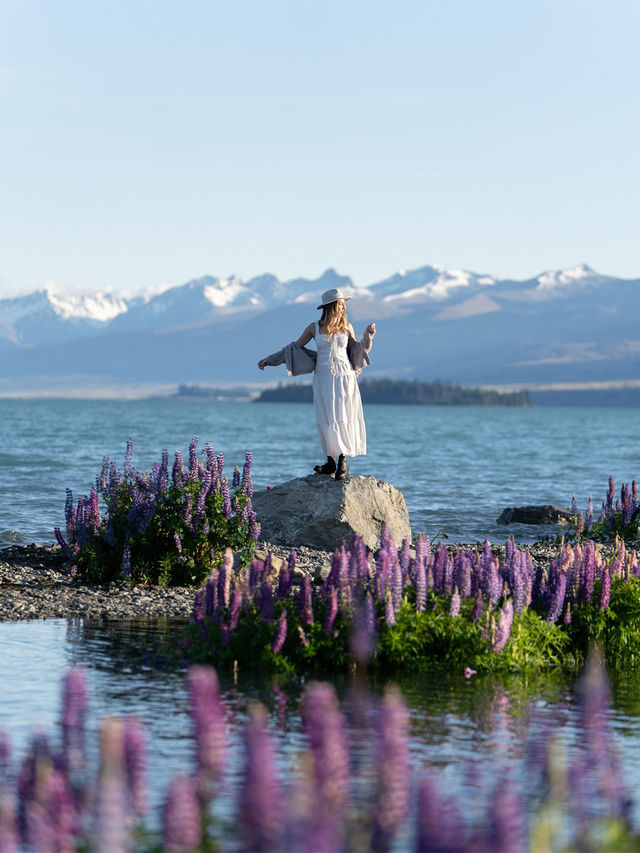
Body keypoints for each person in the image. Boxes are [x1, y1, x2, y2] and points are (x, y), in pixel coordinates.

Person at [258, 288, 376, 480]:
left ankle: (342, 461)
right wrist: (269, 360)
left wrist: (369, 336)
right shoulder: (314, 327)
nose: (344, 306)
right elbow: (294, 349)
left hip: (345, 376)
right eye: (340, 303)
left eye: (344, 302)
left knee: (344, 414)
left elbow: (358, 351)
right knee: (327, 415)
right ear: (331, 306)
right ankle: (330, 461)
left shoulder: (348, 327)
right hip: (323, 377)